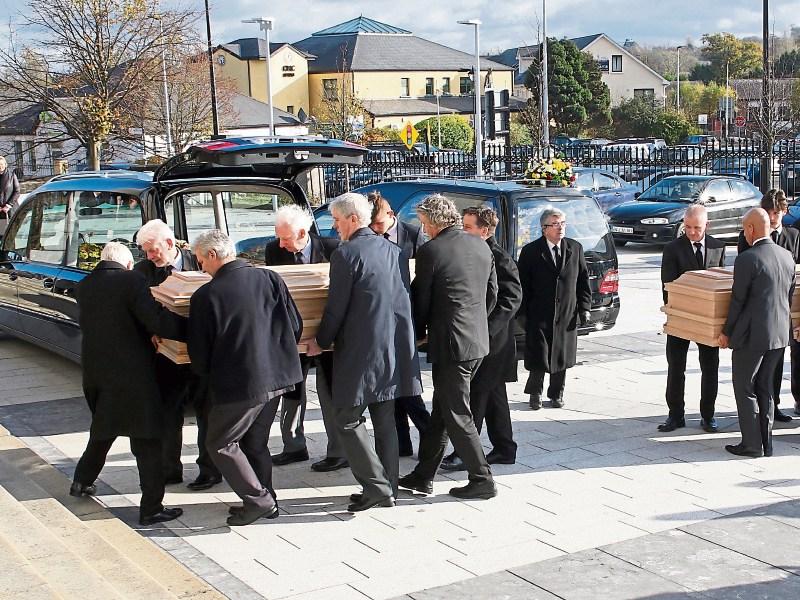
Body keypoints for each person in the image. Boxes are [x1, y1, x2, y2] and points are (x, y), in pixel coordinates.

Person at [307, 193, 422, 512]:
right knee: (384, 420)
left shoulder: (345, 254)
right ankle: (390, 488)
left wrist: (321, 340)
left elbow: (336, 307)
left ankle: (376, 488)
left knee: (346, 419)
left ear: (353, 219)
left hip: (362, 349)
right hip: (393, 345)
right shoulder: (394, 250)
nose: (334, 227)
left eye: (337, 220)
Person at [188, 230, 304, 526]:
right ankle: (267, 501)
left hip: (241, 383)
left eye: (201, 260)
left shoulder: (207, 295)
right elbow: (295, 324)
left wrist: (208, 376)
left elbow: (200, 353)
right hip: (279, 376)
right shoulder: (269, 278)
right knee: (254, 442)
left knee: (220, 443)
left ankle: (259, 501)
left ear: (212, 255)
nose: (201, 267)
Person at [70, 242, 186, 526]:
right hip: (133, 376)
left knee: (103, 430)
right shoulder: (132, 281)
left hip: (97, 372)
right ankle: (151, 508)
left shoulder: (84, 286)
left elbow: (115, 321)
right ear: (129, 264)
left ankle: (81, 481)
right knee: (147, 440)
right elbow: (154, 319)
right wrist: (192, 328)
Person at [399, 194, 499, 500]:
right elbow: (492, 294)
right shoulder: (480, 245)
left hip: (452, 344)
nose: (424, 229)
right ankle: (422, 476)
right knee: (443, 411)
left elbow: (422, 300)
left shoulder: (431, 251)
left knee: (456, 414)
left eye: (424, 223)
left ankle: (482, 479)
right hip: (476, 341)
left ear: (435, 221)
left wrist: (417, 333)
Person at [135, 219, 222, 491]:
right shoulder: (142, 271)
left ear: (170, 243)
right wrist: (150, 330)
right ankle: (169, 469)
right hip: (165, 355)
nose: (150, 256)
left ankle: (210, 470)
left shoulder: (199, 260)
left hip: (202, 353)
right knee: (168, 413)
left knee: (207, 413)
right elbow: (138, 309)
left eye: (153, 250)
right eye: (146, 251)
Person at [264, 205, 349, 473]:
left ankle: (338, 452)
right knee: (291, 390)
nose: (281, 244)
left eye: (286, 238)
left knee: (330, 391)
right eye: (279, 237)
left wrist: (323, 336)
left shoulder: (333, 248)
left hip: (327, 334)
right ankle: (293, 446)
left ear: (302, 233)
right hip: (293, 335)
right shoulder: (274, 250)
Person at [441, 206, 522, 470]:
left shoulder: (498, 257)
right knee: (494, 398)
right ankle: (505, 448)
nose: (462, 232)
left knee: (476, 396)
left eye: (467, 227)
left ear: (484, 231)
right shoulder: (475, 252)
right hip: (483, 340)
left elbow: (512, 299)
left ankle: (466, 453)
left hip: (492, 343)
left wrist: (485, 329)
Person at [719, 208, 795, 458]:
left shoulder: (747, 259)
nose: (744, 234)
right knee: (765, 387)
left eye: (744, 229)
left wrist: (726, 332)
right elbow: (789, 296)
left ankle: (751, 444)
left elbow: (738, 301)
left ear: (751, 229)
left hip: (752, 335)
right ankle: (766, 443)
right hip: (779, 334)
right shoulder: (786, 256)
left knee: (745, 386)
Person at [367, 190, 431, 457]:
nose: (375, 229)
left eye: (378, 223)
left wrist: (421, 326)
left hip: (407, 319)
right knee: (392, 388)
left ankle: (429, 436)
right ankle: (402, 442)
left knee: (406, 386)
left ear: (391, 215)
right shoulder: (369, 237)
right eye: (371, 225)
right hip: (382, 321)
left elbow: (423, 282)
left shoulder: (413, 235)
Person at [659, 205, 726, 433]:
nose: (692, 232)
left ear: (707, 225)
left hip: (708, 320)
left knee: (710, 367)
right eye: (687, 227)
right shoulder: (672, 249)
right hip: (681, 317)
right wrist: (679, 312)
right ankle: (675, 415)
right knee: (676, 367)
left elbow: (720, 284)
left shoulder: (717, 247)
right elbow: (667, 286)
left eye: (697, 228)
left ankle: (708, 415)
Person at [517, 208, 591, 410]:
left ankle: (557, 393)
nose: (560, 228)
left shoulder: (575, 248)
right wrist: (522, 315)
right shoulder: (531, 251)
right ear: (544, 228)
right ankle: (535, 393)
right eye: (555, 224)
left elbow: (583, 281)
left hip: (566, 313)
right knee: (539, 355)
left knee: (561, 355)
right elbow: (522, 286)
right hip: (539, 313)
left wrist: (584, 307)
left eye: (563, 223)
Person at [737, 189, 799, 423]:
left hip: (783, 309)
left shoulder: (794, 236)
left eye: (776, 213)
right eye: (769, 213)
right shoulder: (748, 236)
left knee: (778, 362)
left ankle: (775, 405)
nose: (773, 218)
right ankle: (760, 409)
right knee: (755, 370)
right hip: (758, 313)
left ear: (784, 212)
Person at [0, 156, 20, 234]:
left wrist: (8, 205)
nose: (0, 166)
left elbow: (17, 191)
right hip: (0, 212)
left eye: (1, 164)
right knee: (2, 234)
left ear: (5, 164)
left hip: (10, 210)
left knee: (12, 234)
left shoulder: (12, 175)